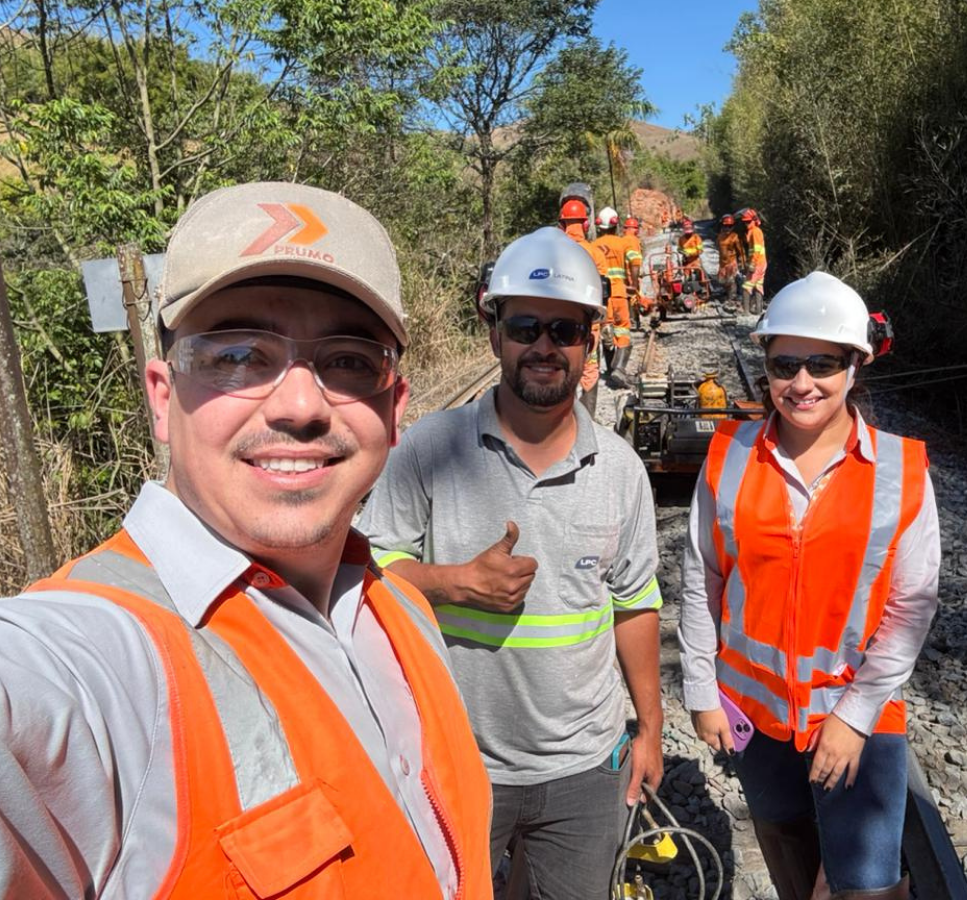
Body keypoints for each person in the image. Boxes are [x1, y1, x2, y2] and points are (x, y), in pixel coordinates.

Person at [0, 182, 492, 898]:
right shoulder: (99, 662)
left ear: (394, 409)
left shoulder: (402, 611)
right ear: (164, 399)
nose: (299, 406)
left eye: (349, 360)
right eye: (236, 355)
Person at [359, 227, 664, 900]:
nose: (545, 347)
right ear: (493, 329)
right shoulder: (432, 451)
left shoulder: (618, 469)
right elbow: (364, 571)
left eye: (565, 329)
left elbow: (635, 603)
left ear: (590, 342)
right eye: (526, 326)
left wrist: (651, 728)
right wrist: (453, 582)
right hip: (452, 757)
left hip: (583, 770)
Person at [678, 271, 940, 900]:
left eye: (821, 363)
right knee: (788, 847)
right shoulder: (729, 454)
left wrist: (854, 718)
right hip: (756, 716)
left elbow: (911, 610)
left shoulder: (900, 471)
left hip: (857, 714)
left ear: (855, 366)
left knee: (866, 883)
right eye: (784, 363)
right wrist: (700, 688)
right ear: (765, 364)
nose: (801, 383)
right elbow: (701, 575)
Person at [558, 197, 606, 416]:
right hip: (588, 324)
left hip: (557, 324)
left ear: (562, 224)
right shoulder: (594, 252)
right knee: (589, 369)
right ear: (586, 224)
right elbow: (605, 291)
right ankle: (588, 421)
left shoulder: (554, 251)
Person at [593, 206, 632, 388]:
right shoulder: (622, 243)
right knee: (622, 329)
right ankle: (619, 368)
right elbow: (633, 265)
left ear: (599, 226)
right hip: (619, 293)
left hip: (601, 296)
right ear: (616, 225)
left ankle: (609, 370)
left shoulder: (592, 246)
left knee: (606, 331)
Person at [716, 213, 746, 309]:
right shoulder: (720, 237)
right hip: (722, 263)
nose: (727, 228)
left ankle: (732, 298)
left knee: (731, 281)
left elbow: (740, 251)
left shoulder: (734, 237)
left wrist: (742, 262)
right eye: (725, 226)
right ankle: (728, 295)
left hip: (731, 262)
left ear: (733, 226)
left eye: (729, 226)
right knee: (722, 281)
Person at [621, 216, 644, 331]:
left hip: (623, 276)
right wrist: (634, 282)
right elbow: (635, 261)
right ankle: (634, 321)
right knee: (633, 296)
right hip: (631, 275)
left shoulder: (623, 239)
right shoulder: (633, 240)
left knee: (626, 298)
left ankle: (631, 320)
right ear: (635, 229)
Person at [742, 208, 767, 313]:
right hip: (761, 263)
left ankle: (746, 312)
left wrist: (752, 263)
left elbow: (756, 250)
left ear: (753, 220)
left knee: (746, 287)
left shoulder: (755, 232)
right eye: (745, 222)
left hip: (757, 263)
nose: (746, 224)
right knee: (758, 285)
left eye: (748, 222)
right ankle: (758, 310)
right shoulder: (755, 231)